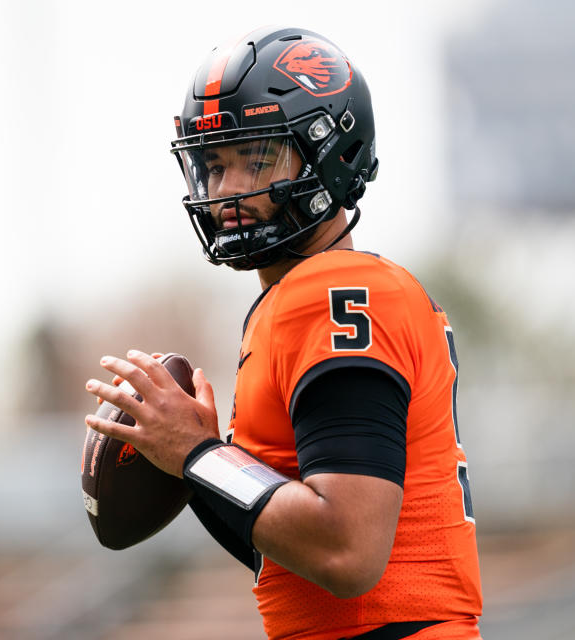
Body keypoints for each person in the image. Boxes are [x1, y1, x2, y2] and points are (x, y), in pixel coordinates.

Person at [84, 26, 483, 640]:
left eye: (259, 158)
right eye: (215, 165)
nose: (228, 191)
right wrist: (194, 462)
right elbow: (288, 556)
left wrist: (198, 454)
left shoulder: (334, 292)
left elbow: (346, 551)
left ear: (330, 153)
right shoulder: (307, 297)